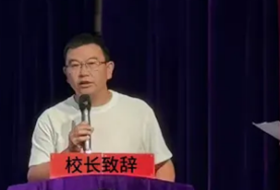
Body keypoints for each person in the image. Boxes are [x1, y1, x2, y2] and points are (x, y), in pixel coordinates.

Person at [26, 33, 176, 182]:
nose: (84, 73)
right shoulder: (51, 117)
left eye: (92, 64)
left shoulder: (139, 111)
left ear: (109, 69)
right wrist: (69, 154)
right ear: (66, 73)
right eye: (75, 65)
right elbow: (35, 177)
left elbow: (163, 166)